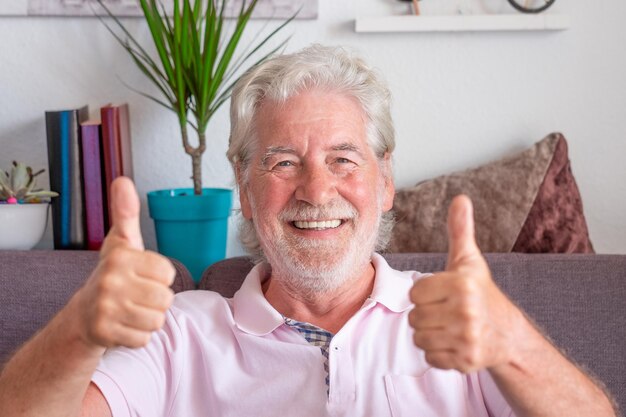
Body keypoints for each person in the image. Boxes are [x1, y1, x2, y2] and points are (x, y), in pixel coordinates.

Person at [0, 45, 616, 417]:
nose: (317, 192)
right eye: (283, 162)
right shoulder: (177, 332)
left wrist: (512, 342)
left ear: (383, 182)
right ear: (244, 186)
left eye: (345, 160)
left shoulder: (462, 319)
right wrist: (79, 330)